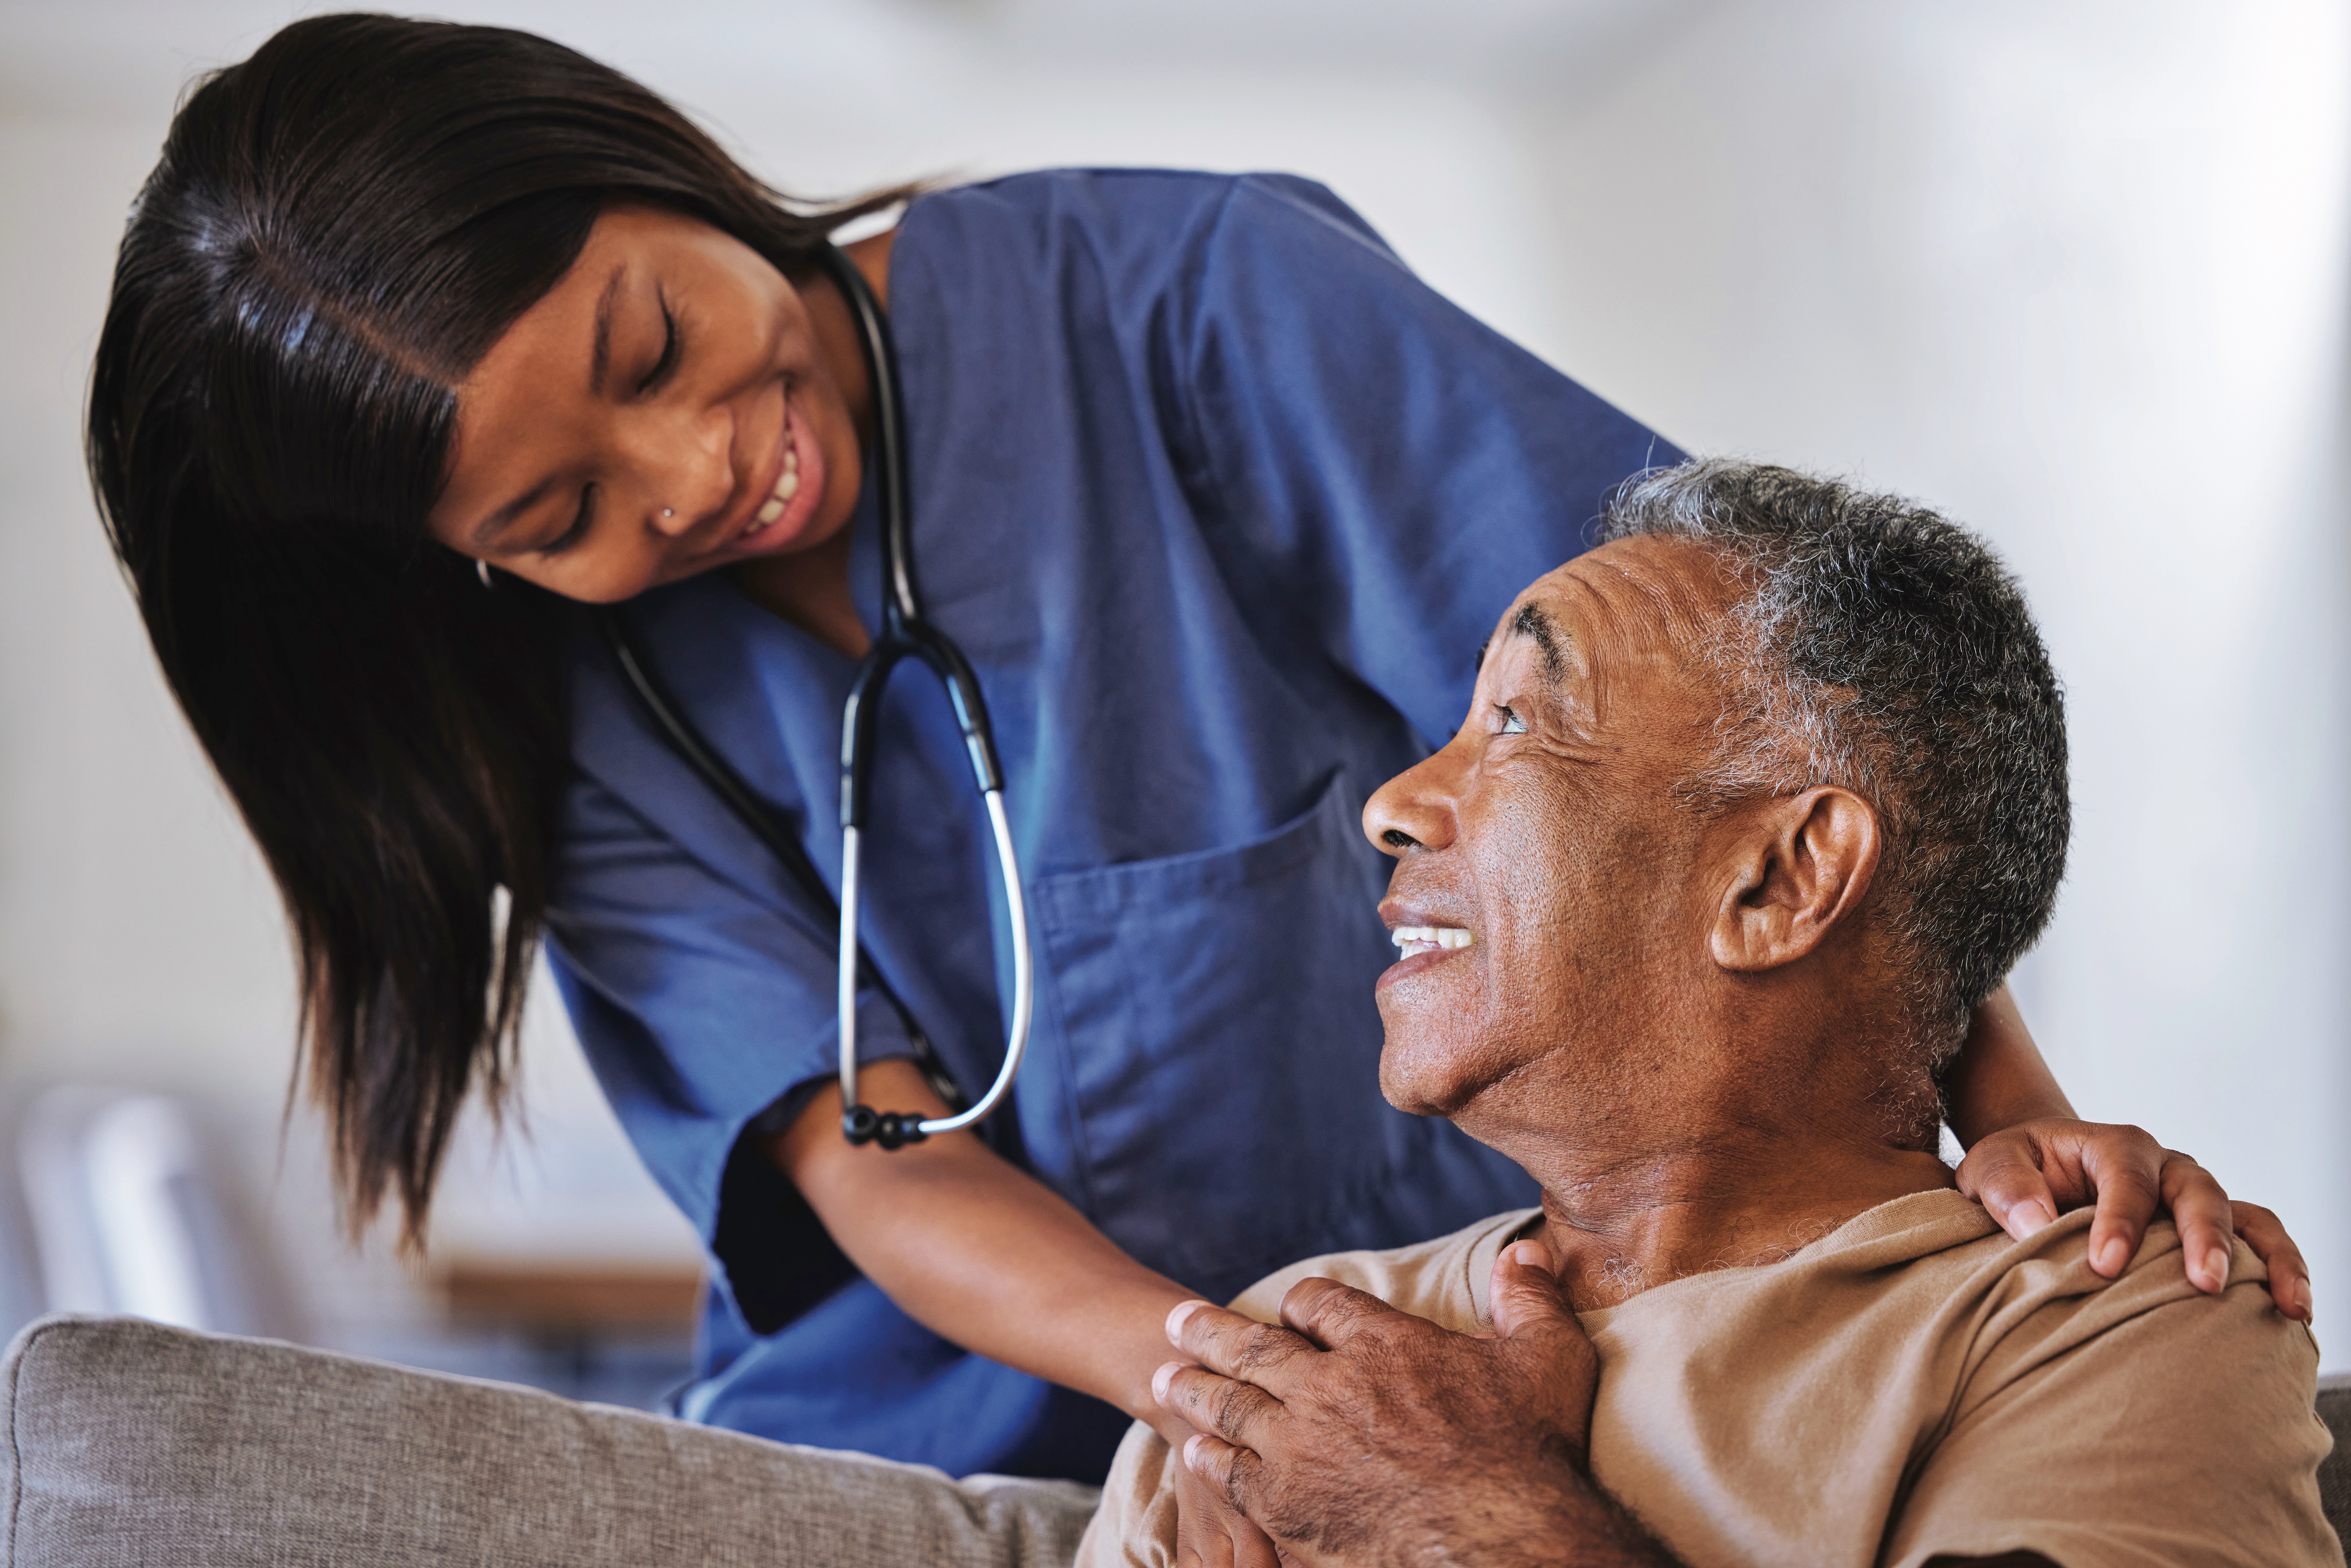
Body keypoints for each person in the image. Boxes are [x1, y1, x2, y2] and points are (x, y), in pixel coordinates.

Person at [85, 11, 2307, 1496]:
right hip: (956, 1455)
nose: (685, 478)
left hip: (1506, 1369)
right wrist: (1230, 1388)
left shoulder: (1174, 303)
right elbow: (870, 1154)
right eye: (550, 518)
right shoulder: (591, 712)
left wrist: (2016, 1139)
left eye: (654, 344)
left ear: (636, 164)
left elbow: (1737, 737)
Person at [1110, 462, 2339, 1568]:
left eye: (1516, 723)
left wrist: (1452, 1504)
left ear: (1780, 880)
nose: (1392, 804)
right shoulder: (1288, 1362)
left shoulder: (2106, 1318)